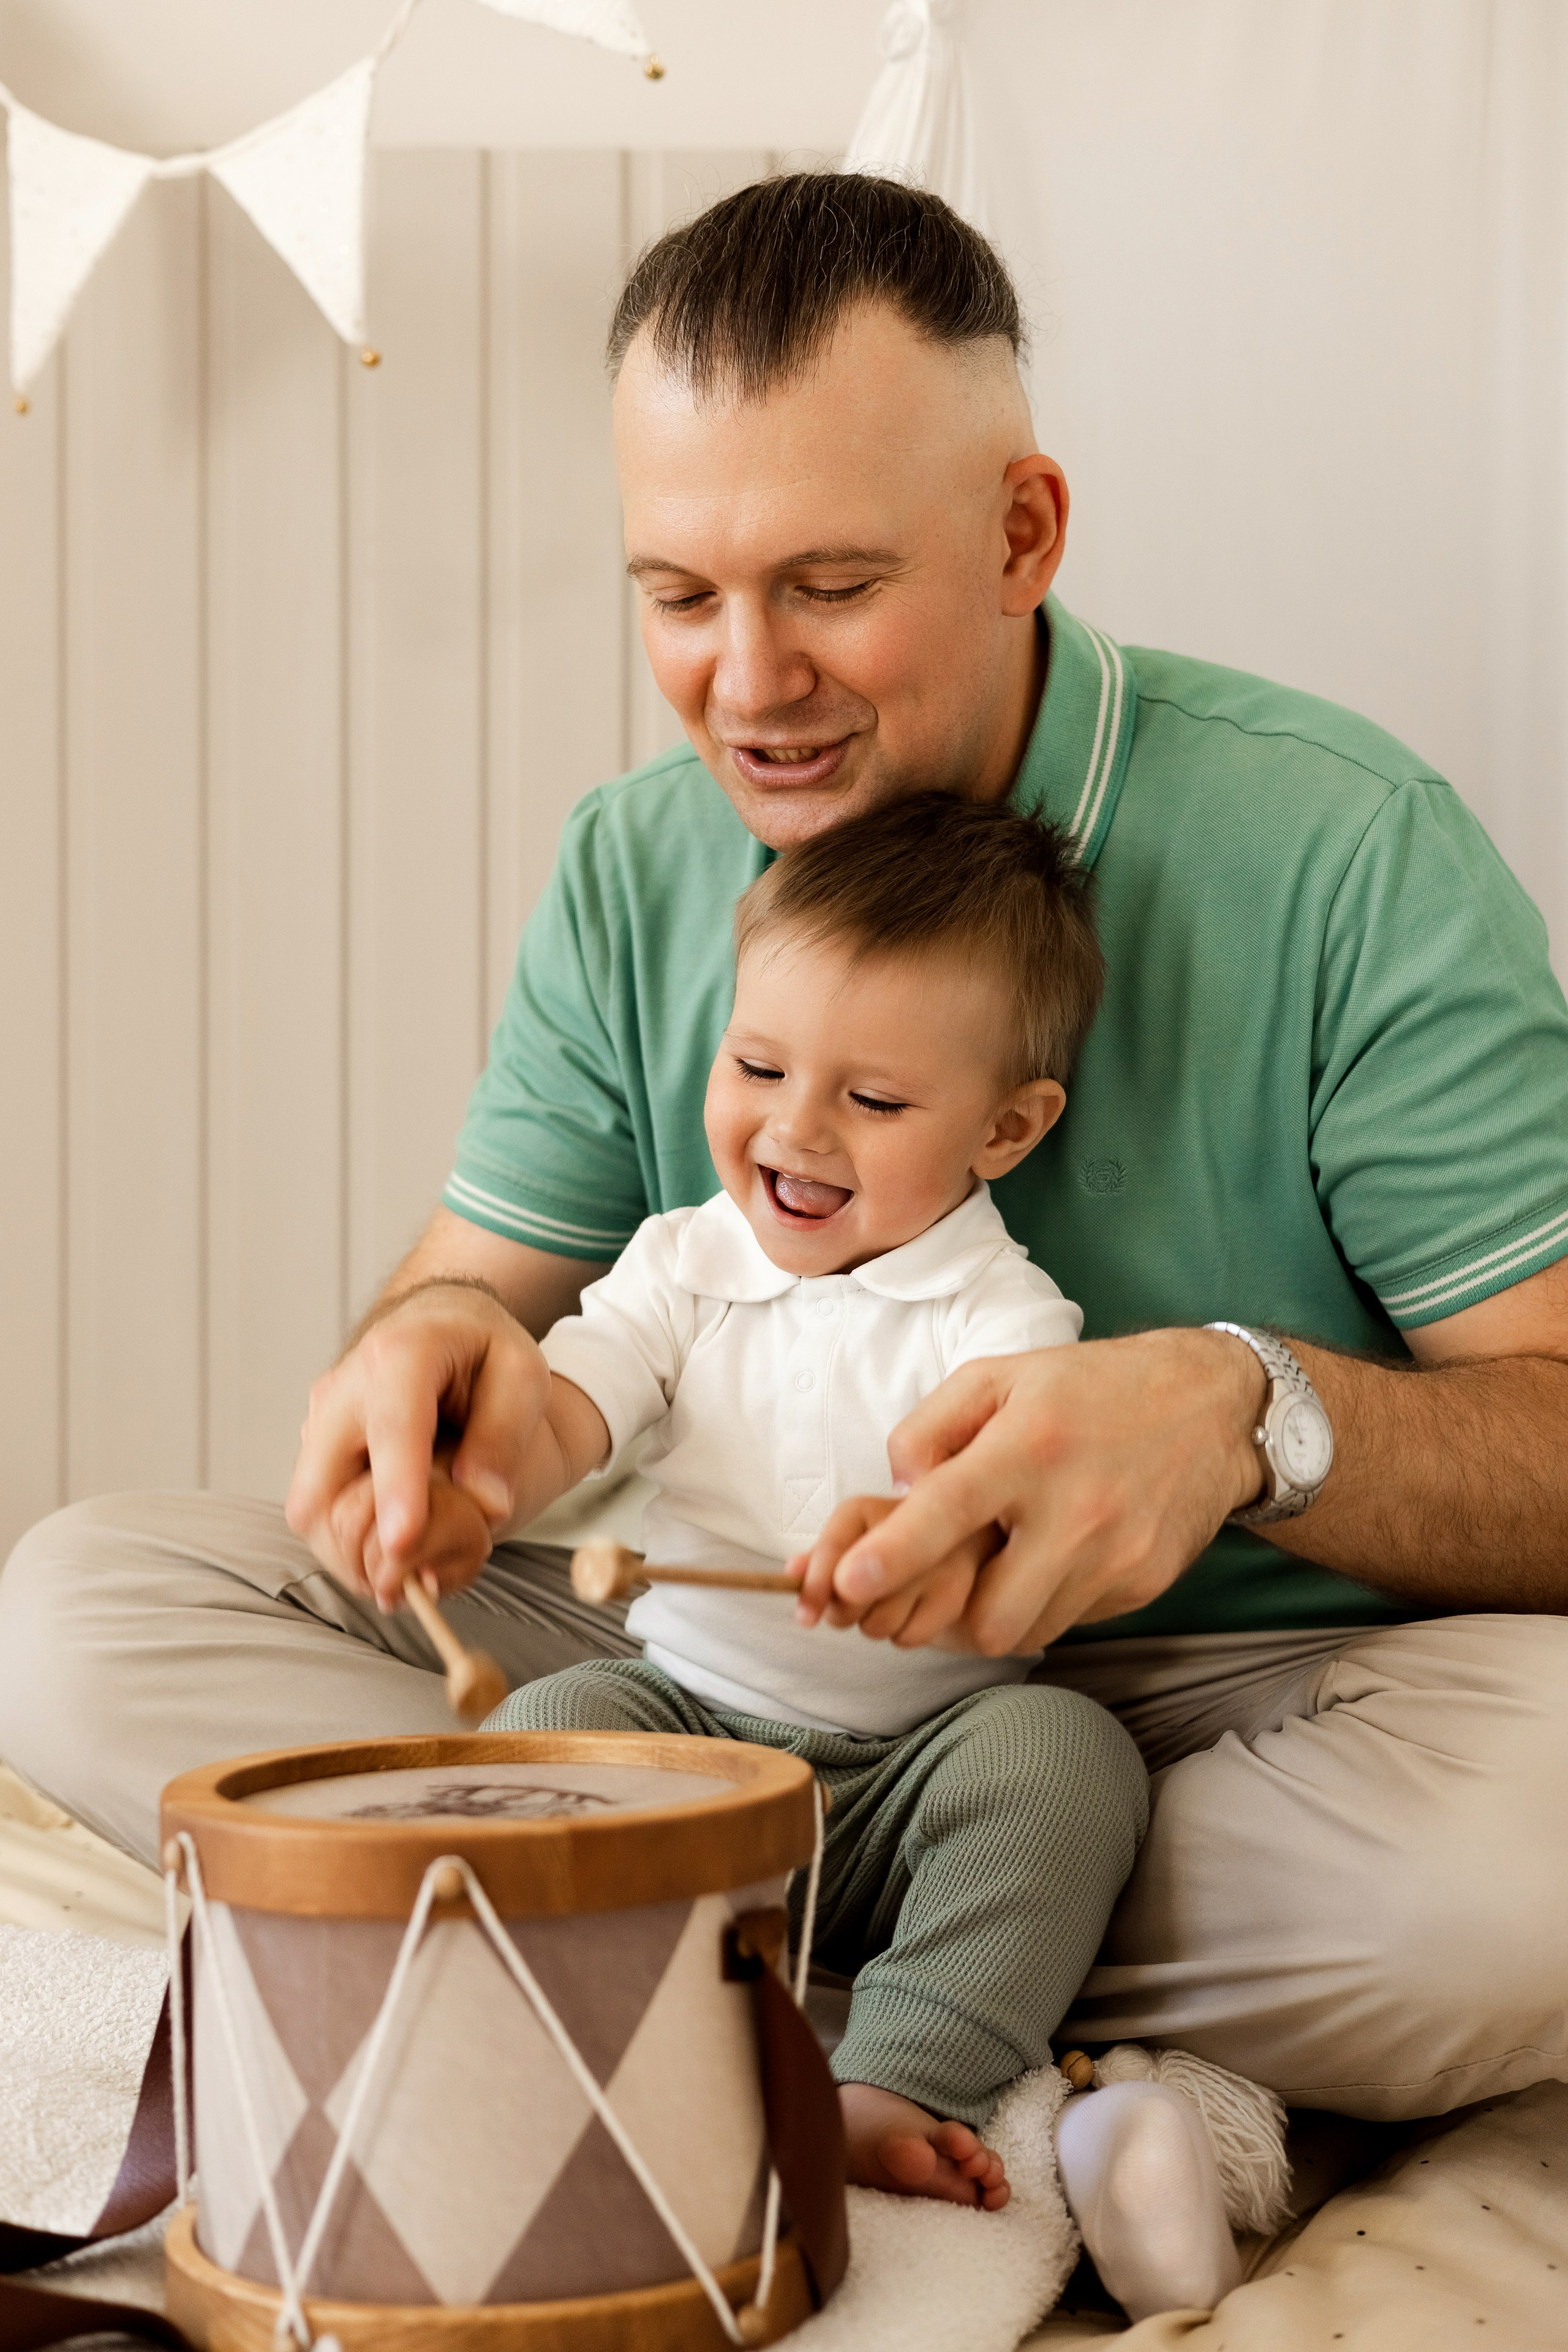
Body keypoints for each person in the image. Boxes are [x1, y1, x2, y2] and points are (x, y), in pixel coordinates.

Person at [2, 172, 1566, 2152]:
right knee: (73, 1613)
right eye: (678, 594)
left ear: (1023, 534)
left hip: (1202, 1716)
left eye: (828, 586)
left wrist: (1246, 1417)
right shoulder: (632, 862)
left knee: (1528, 1876)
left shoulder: (1348, 854)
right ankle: (927, 2001)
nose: (746, 682)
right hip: (696, 1665)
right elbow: (481, 1296)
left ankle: (670, 1941)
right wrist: (424, 1371)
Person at [482, 789, 1154, 2216]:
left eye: (872, 1100)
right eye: (756, 1067)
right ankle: (645, 2045)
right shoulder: (682, 1262)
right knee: (542, 1732)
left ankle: (896, 2078)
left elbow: (1007, 1495)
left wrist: (936, 1544)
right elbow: (571, 1401)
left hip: (918, 1767)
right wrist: (484, 1463)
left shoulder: (1005, 1320)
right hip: (692, 1736)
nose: (794, 1133)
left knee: (1064, 1760)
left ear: (1006, 1129)